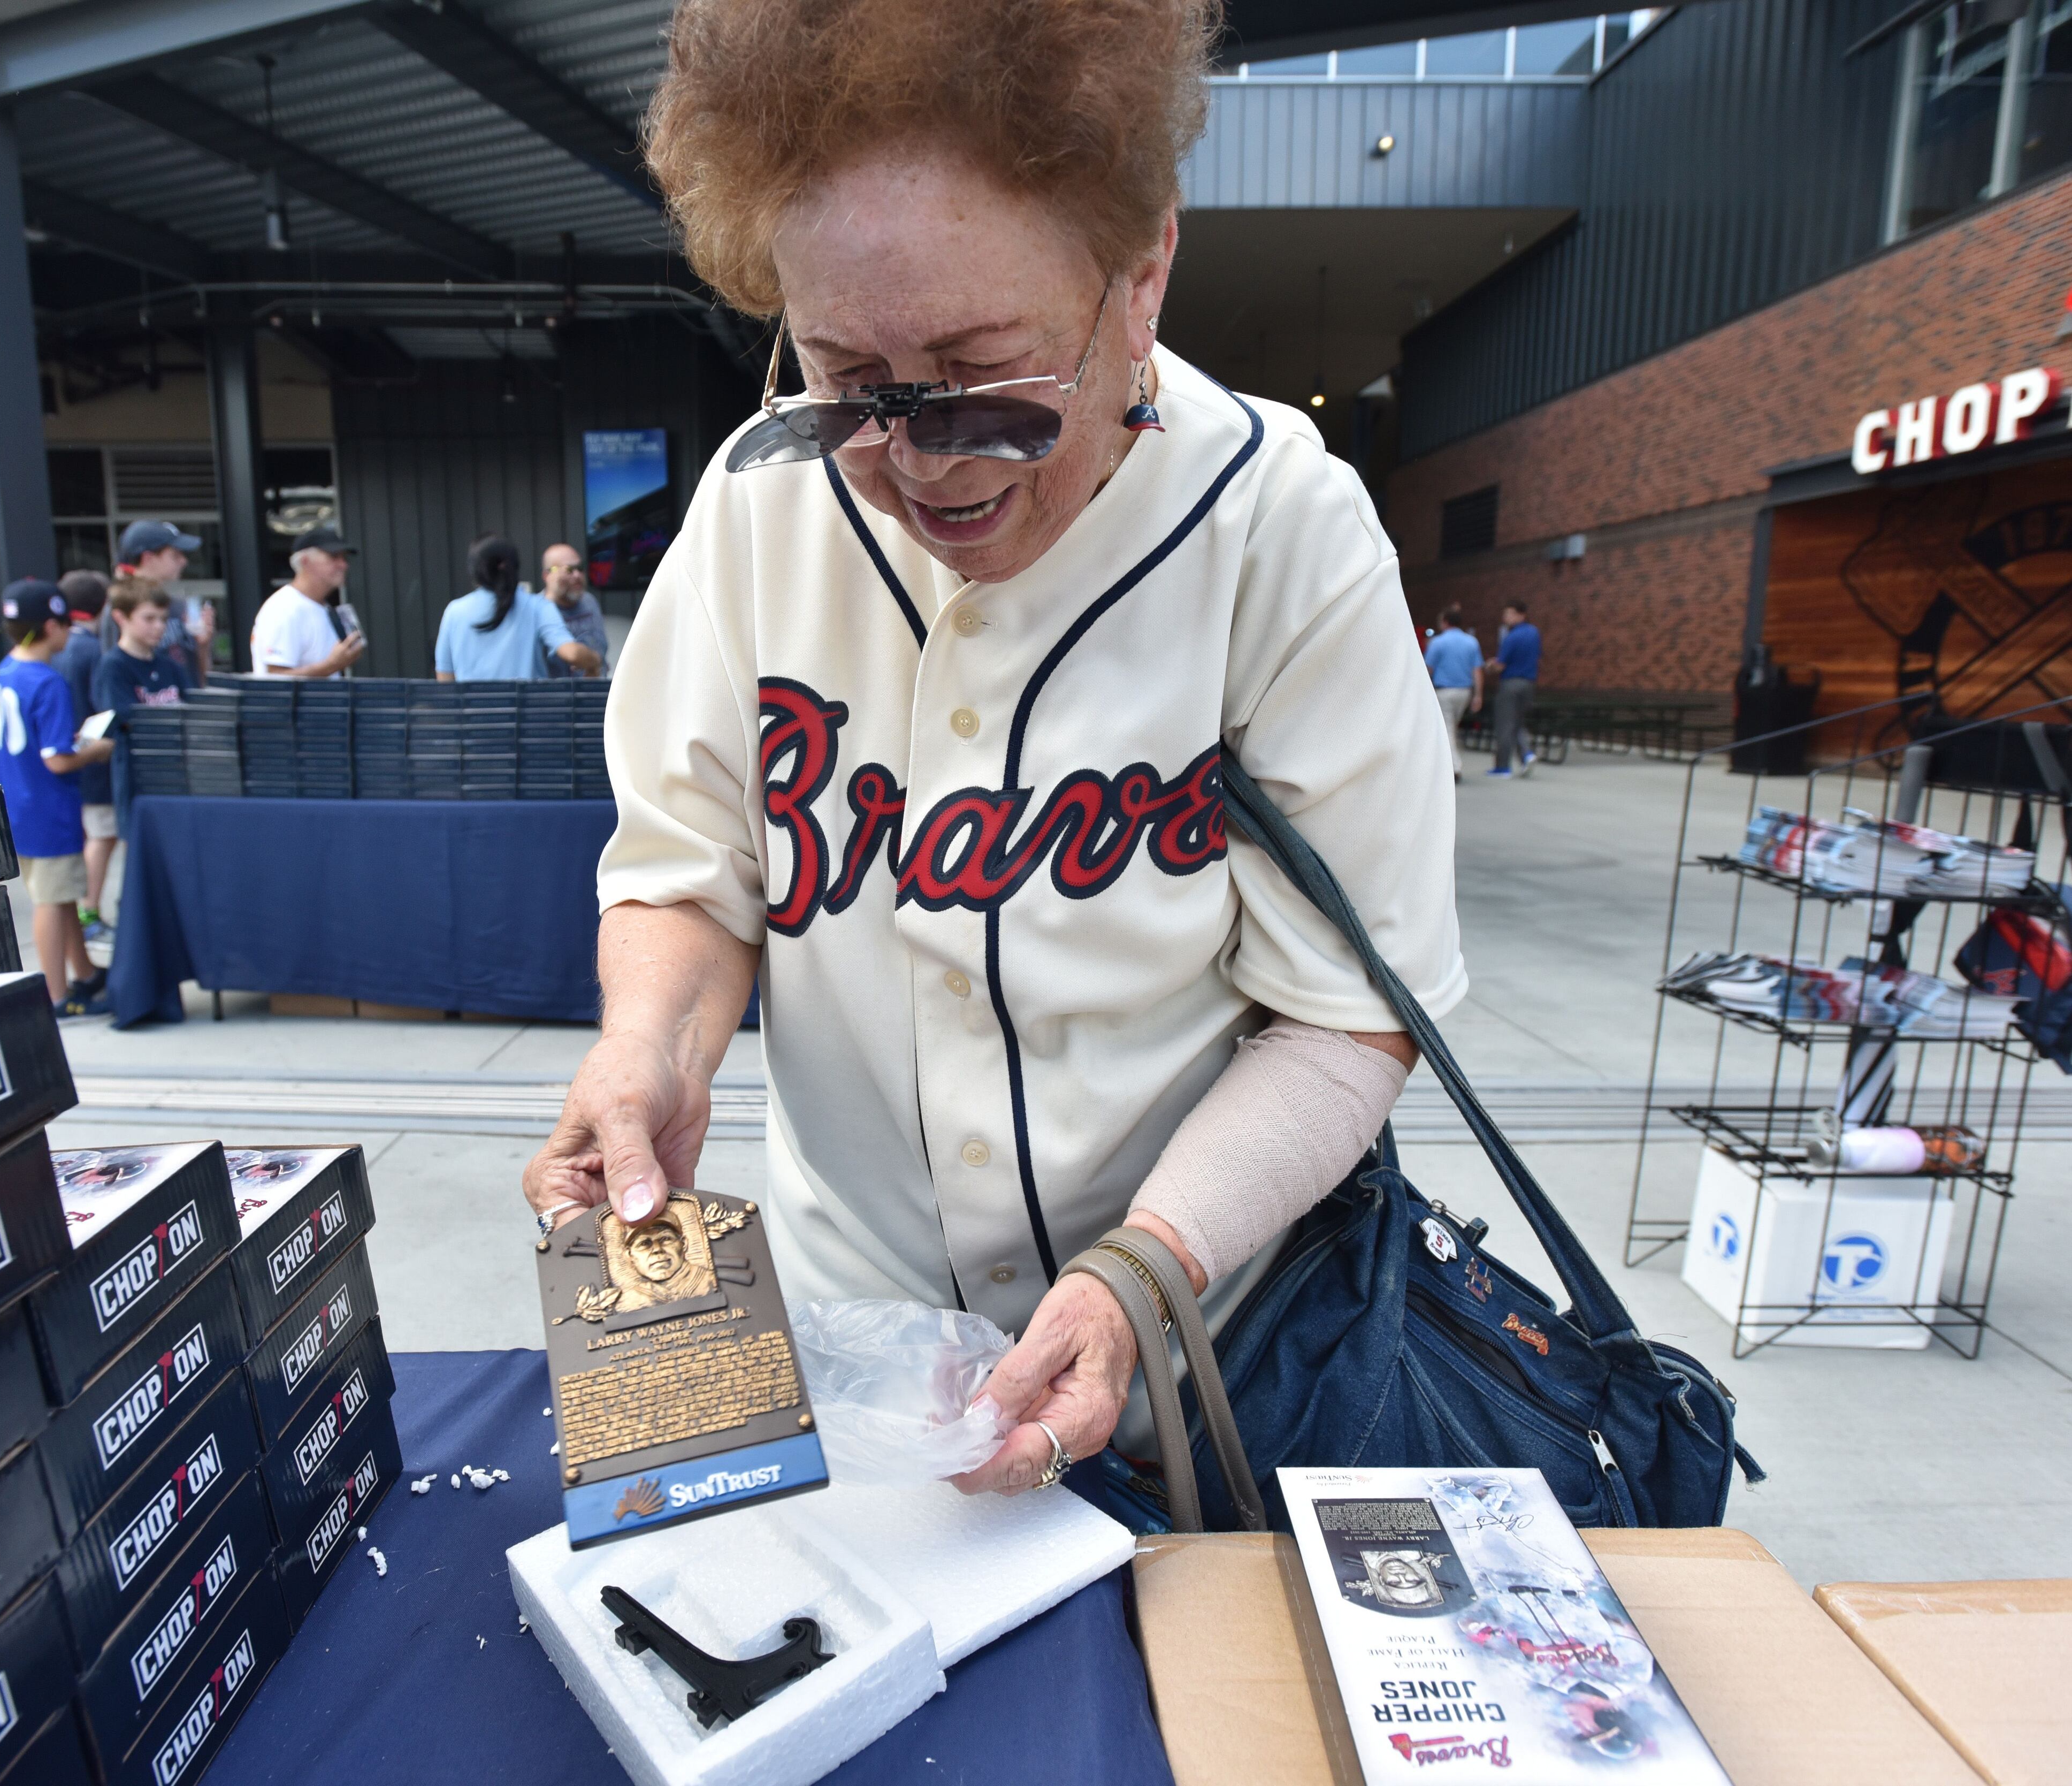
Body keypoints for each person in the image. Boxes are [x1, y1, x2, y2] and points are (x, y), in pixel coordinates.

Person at [522, 0, 1459, 1503]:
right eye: (849, 378)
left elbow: (1347, 1015)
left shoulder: (1278, 522)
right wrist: (652, 1048)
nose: (922, 454)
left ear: (1142, 267)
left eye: (981, 373)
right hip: (855, 1360)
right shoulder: (763, 505)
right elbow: (693, 877)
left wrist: (1148, 1266)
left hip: (1197, 1361)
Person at [0, 579, 114, 1017]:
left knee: (63, 893)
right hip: (49, 805)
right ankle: (57, 996)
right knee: (52, 902)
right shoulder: (47, 681)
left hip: (18, 802)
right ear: (52, 627)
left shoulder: (5, 671)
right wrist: (96, 749)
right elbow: (57, 761)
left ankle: (86, 972)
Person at [93, 574, 189, 836]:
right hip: (139, 782)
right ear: (121, 618)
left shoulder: (170, 665)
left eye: (163, 619)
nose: (158, 627)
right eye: (149, 619)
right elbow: (124, 718)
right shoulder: (114, 667)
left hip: (179, 777)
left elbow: (194, 708)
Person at [434, 536, 602, 682]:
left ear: (475, 571)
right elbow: (572, 654)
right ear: (515, 567)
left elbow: (445, 677)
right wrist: (594, 662)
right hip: (528, 716)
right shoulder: (538, 606)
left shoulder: (454, 611)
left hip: (473, 717)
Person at [55, 570, 116, 945]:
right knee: (102, 836)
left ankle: (85, 913)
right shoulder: (91, 649)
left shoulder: (56, 647)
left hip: (67, 762)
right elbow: (102, 710)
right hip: (92, 761)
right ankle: (89, 913)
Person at [251, 526, 367, 679]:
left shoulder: (320, 607)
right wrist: (332, 665)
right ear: (305, 561)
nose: (344, 565)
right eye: (334, 557)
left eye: (344, 558)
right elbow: (274, 680)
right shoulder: (284, 608)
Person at [117, 521, 215, 685]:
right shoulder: (122, 607)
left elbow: (200, 678)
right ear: (149, 558)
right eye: (175, 555)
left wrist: (203, 647)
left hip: (187, 705)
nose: (184, 562)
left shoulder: (177, 605)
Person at [1421, 604, 1484, 783]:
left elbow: (1428, 668)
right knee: (1451, 728)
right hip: (1465, 691)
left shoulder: (1438, 643)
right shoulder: (1472, 642)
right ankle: (1450, 763)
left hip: (1444, 691)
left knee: (1447, 729)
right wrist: (1478, 695)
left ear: (1445, 622)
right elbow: (1477, 670)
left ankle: (1454, 767)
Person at [539, 543, 609, 677]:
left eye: (580, 568)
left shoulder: (589, 602)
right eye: (569, 570)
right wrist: (552, 596)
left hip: (595, 690)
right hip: (561, 694)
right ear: (548, 576)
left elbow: (601, 647)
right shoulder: (538, 610)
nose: (577, 576)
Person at [1490, 600, 1542, 780]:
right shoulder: (1534, 633)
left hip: (1511, 683)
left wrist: (1490, 666)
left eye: (1510, 614)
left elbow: (1501, 665)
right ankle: (1527, 754)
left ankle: (1503, 767)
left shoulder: (1512, 637)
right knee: (1518, 722)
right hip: (1529, 683)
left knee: (1505, 724)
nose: (1506, 617)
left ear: (1521, 614)